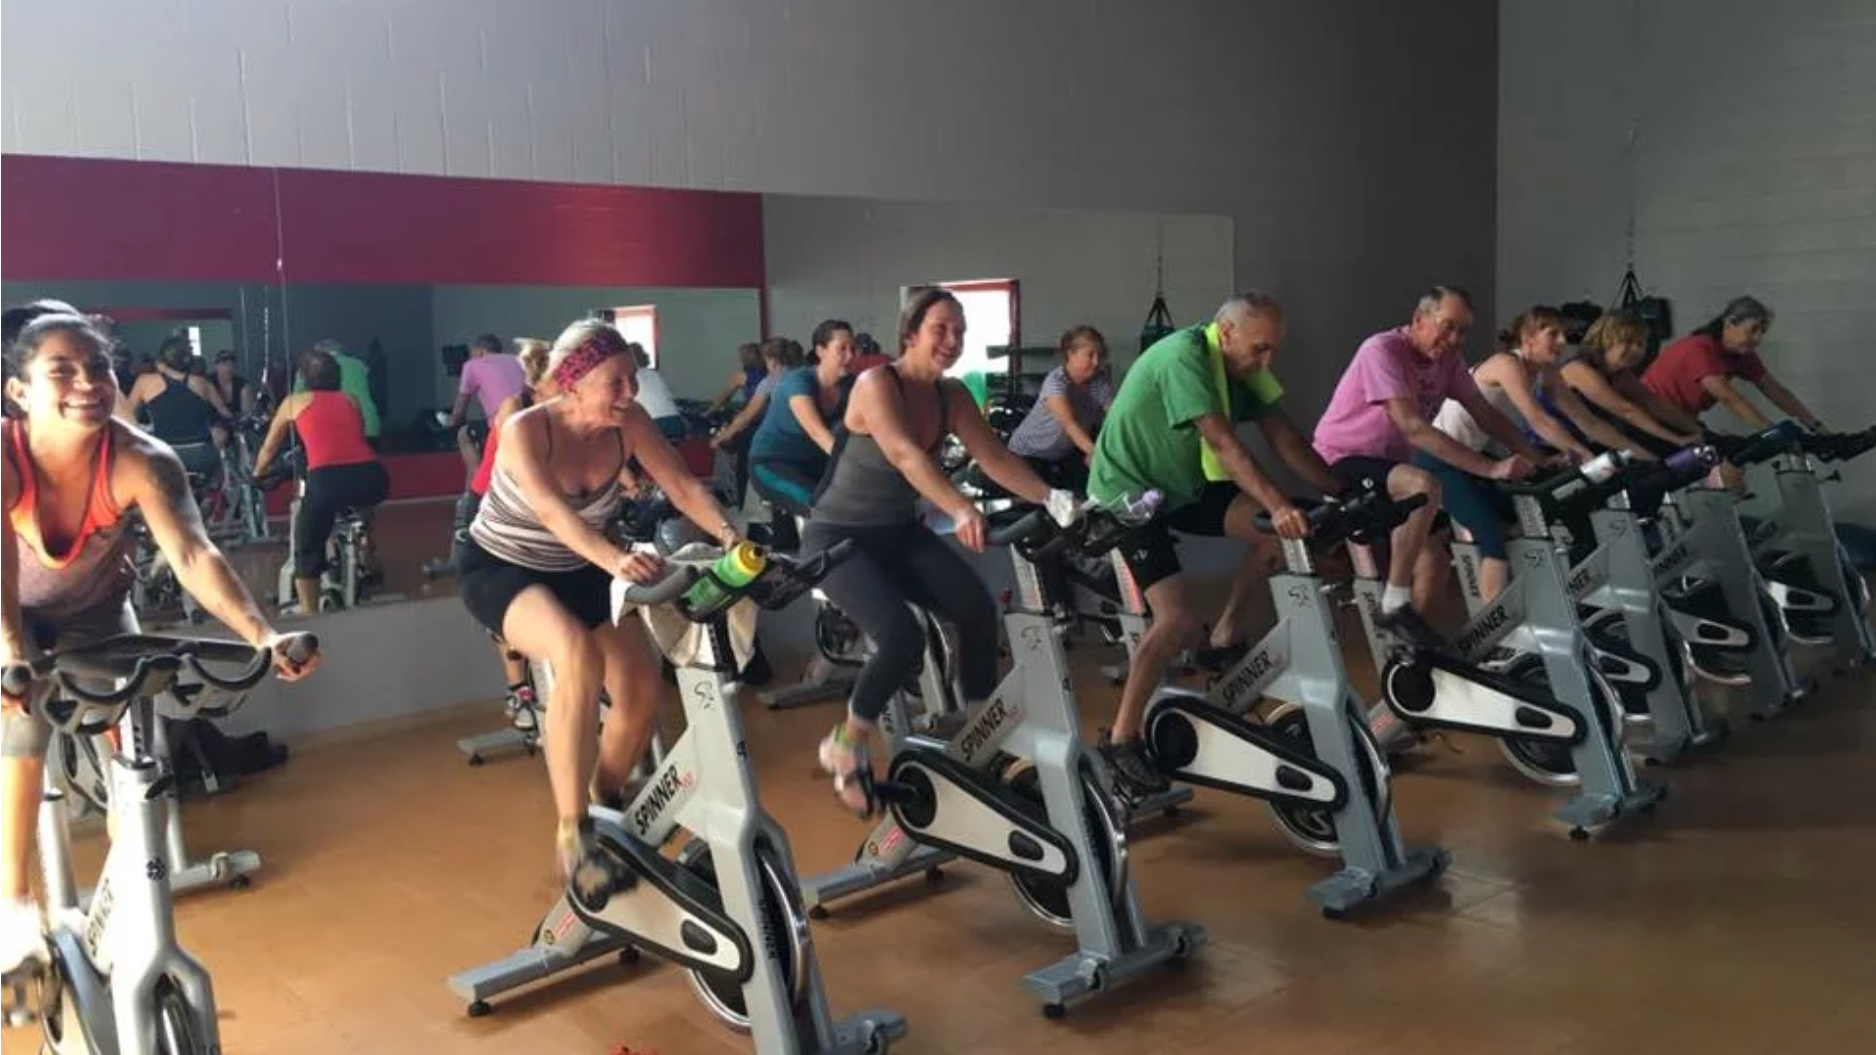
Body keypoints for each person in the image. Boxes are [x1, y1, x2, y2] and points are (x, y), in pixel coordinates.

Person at [1, 310, 316, 973]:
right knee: (23, 730)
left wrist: (263, 634)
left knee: (140, 752)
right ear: (19, 390)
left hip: (97, 609)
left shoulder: (142, 459)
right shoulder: (5, 455)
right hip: (11, 611)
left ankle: (128, 901)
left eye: (98, 367)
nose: (86, 382)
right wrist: (11, 656)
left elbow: (194, 555)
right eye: (62, 370)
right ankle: (15, 904)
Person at [456, 319, 741, 877]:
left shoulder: (627, 423)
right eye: (617, 382)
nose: (631, 393)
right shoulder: (525, 427)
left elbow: (682, 485)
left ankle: (604, 798)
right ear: (574, 383)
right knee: (574, 653)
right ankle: (573, 830)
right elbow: (551, 512)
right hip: (501, 569)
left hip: (575, 565)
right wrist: (614, 560)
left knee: (639, 685)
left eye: (633, 379)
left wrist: (734, 540)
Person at [807, 288, 1078, 814]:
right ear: (910, 334)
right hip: (838, 539)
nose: (953, 341)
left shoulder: (952, 395)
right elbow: (906, 455)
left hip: (897, 534)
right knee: (900, 637)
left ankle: (979, 729)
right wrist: (958, 508)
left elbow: (994, 457)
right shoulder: (874, 384)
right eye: (941, 329)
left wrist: (1052, 497)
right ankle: (846, 743)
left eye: (960, 331)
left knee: (977, 610)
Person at [1086, 293, 1344, 794]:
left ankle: (1223, 636)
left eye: (1273, 351)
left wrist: (1341, 494)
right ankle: (1121, 739)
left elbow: (1284, 436)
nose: (1265, 361)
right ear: (1226, 333)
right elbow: (1223, 443)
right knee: (1177, 620)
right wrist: (1279, 503)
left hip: (1181, 487)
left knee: (1281, 536)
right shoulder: (1185, 356)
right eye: (1259, 349)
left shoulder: (1244, 365)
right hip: (1127, 493)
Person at [1312, 286, 1545, 638]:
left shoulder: (1448, 362)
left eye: (1463, 331)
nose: (1455, 339)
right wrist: (1490, 468)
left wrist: (1535, 457)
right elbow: (1413, 427)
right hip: (1341, 462)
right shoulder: (1382, 350)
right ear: (1419, 321)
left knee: (1434, 563)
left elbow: (1485, 414)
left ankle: (1415, 648)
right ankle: (1393, 605)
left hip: (1390, 469)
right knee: (1424, 484)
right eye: (1448, 326)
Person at [1425, 306, 1641, 601]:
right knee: (1492, 539)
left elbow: (1587, 421)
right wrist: (1584, 456)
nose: (1563, 341)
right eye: (1553, 334)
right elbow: (1538, 420)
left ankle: (1534, 604)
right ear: (1527, 339)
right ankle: (1496, 635)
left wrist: (1631, 454)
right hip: (1439, 458)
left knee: (1532, 513)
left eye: (1564, 334)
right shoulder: (1506, 363)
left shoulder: (1547, 373)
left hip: (1476, 457)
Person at [251, 349, 390, 614]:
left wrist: (258, 473)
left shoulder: (293, 402)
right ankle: (366, 554)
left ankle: (309, 611)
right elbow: (352, 437)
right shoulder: (350, 399)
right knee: (358, 509)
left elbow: (269, 448)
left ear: (303, 377)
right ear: (336, 376)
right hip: (372, 477)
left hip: (327, 479)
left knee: (306, 544)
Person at [1642, 296, 1825, 433]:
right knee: (1727, 463)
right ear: (1729, 324)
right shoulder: (1700, 348)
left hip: (1679, 420)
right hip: (1646, 418)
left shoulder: (1742, 354)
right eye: (1753, 330)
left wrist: (1816, 426)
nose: (1758, 338)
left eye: (1762, 331)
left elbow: (1777, 391)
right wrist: (1772, 431)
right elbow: (1730, 398)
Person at [748, 319, 856, 549]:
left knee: (858, 503)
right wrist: (856, 467)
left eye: (853, 349)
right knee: (822, 507)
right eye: (842, 349)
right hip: (770, 463)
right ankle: (826, 571)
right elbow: (818, 433)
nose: (850, 356)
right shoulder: (798, 382)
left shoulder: (851, 385)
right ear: (821, 351)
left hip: (814, 464)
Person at [1559, 310, 1705, 458]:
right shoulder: (1579, 369)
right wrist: (1678, 440)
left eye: (1640, 343)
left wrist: (1699, 431)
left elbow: (1654, 404)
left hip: (1594, 437)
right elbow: (1626, 411)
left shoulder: (1619, 374)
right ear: (1606, 340)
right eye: (1628, 342)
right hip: (1558, 446)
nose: (1636, 350)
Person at [1005, 325, 1117, 492]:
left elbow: (1114, 421)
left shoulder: (1100, 383)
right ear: (1070, 354)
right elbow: (1070, 425)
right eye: (1090, 355)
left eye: (1099, 356)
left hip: (1061, 454)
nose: (1096, 362)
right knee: (1047, 500)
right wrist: (1097, 454)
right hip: (1026, 455)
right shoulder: (1055, 382)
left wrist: (1099, 450)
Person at [711, 337, 806, 507]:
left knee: (746, 452)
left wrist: (722, 436)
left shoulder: (769, 381)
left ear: (773, 361)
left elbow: (746, 415)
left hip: (782, 438)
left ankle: (743, 502)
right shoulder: (805, 374)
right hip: (805, 438)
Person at [124, 335, 231, 476]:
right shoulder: (202, 383)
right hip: (200, 455)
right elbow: (226, 414)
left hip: (164, 455)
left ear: (162, 360)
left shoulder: (145, 381)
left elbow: (127, 417)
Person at [293, 339, 381, 445]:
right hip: (371, 427)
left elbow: (295, 402)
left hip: (335, 433)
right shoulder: (359, 365)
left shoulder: (310, 368)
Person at [445, 332, 528, 431]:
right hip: (529, 420)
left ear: (480, 351)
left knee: (464, 435)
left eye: (472, 353)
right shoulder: (516, 360)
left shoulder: (471, 365)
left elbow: (459, 411)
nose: (471, 357)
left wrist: (449, 421)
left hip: (502, 426)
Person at [625, 344, 687, 442]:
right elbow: (670, 397)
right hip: (675, 423)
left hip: (653, 426)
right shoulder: (654, 374)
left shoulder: (629, 378)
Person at [210, 349, 257, 420]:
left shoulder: (243, 385)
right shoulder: (208, 382)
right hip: (212, 425)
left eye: (231, 364)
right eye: (224, 364)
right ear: (216, 366)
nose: (228, 368)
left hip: (236, 424)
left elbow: (247, 414)